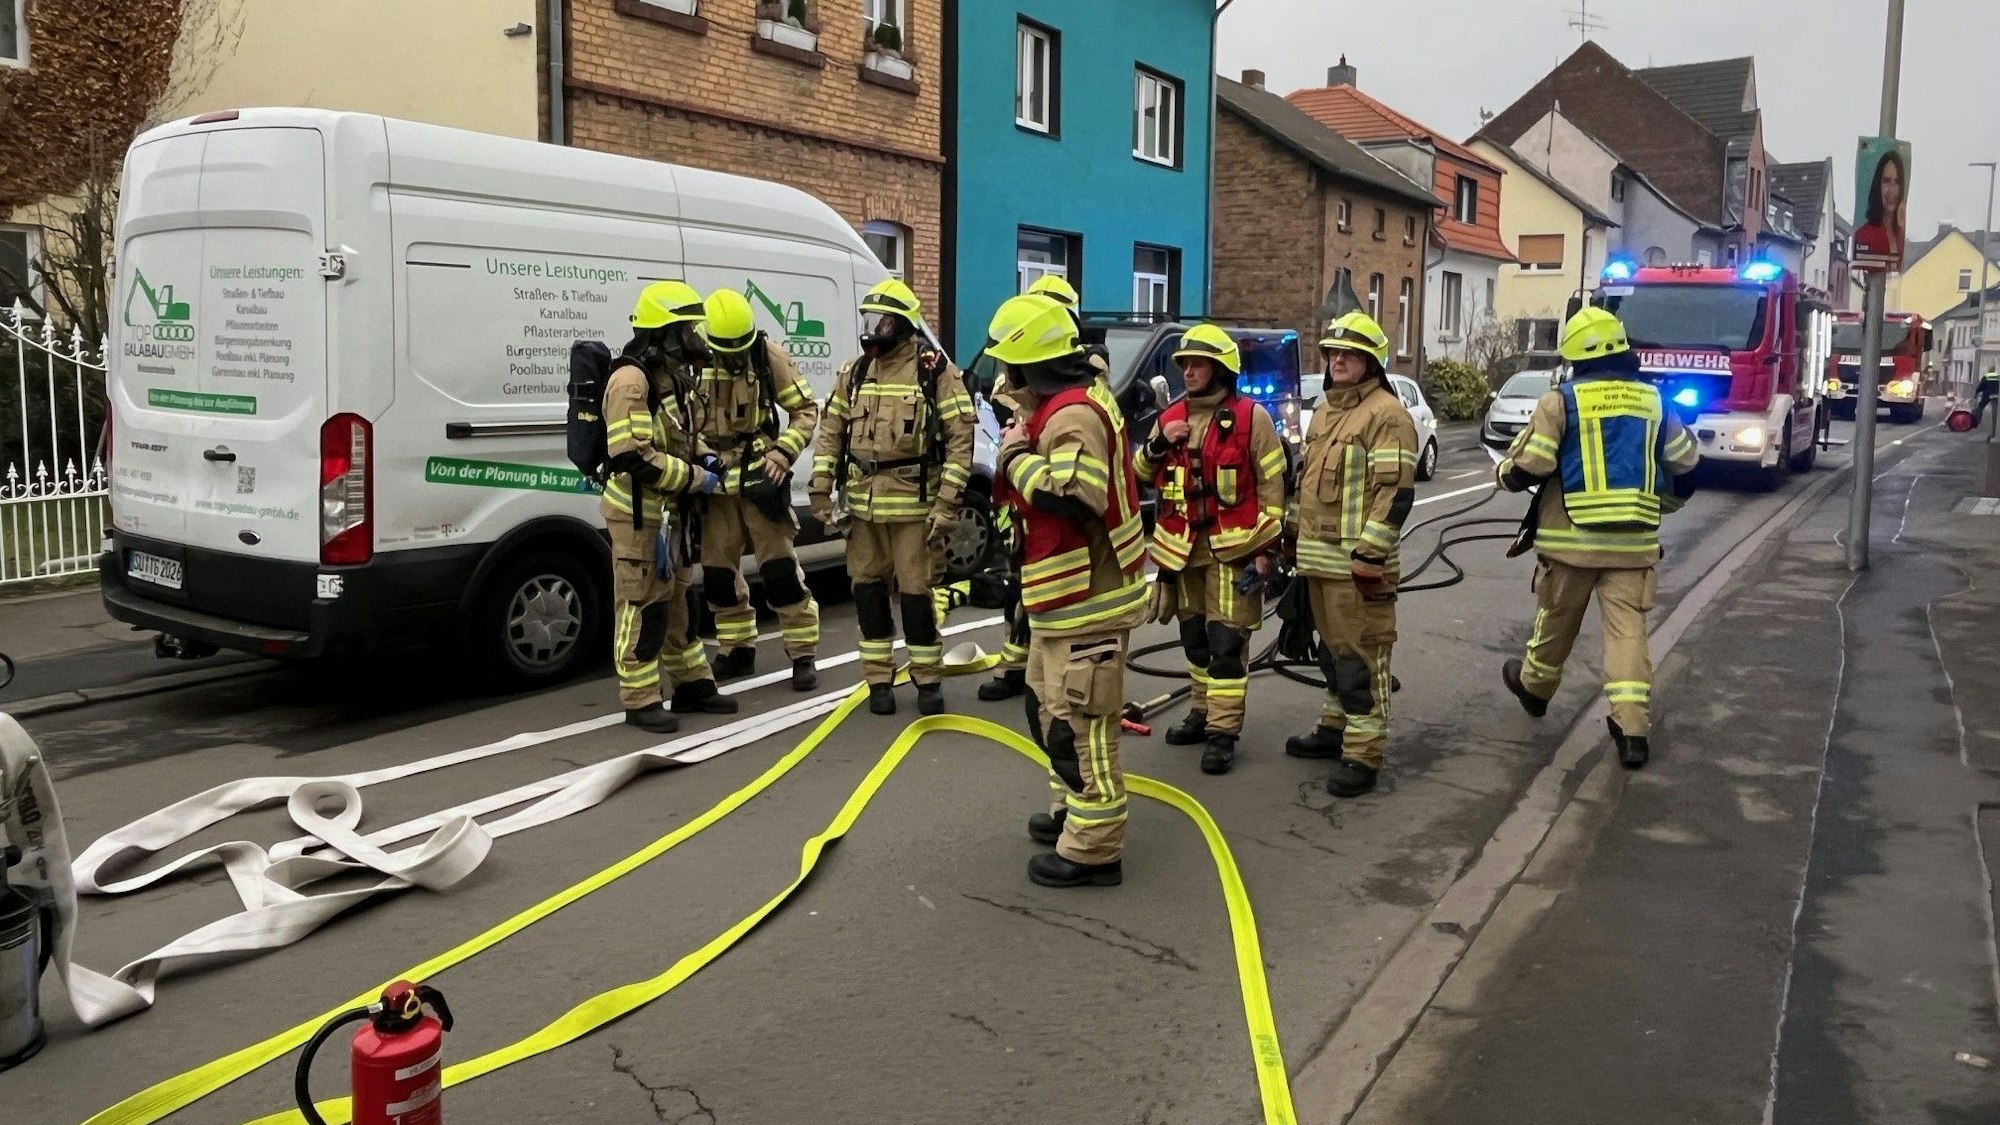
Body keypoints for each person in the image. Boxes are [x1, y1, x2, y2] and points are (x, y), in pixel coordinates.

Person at [989, 292, 1148, 887]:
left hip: (1090, 602)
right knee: (1049, 709)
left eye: (1009, 363)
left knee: (1082, 727)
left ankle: (1095, 849)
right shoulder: (1058, 407)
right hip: (1064, 601)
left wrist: (1015, 457)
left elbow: (1074, 497)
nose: (1003, 374)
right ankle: (1071, 814)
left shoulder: (1072, 416)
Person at [1496, 306, 1701, 768]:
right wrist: (1663, 506)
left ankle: (1535, 688)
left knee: (1555, 622)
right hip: (1633, 549)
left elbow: (1533, 465)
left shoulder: (1560, 401)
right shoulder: (1654, 401)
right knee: (1628, 637)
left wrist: (1504, 473)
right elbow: (1686, 467)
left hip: (1570, 545)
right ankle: (1632, 731)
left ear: (1574, 357)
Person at [810, 278, 976, 716]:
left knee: (917, 593)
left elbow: (961, 443)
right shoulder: (855, 372)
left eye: (881, 321)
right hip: (863, 507)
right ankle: (879, 681)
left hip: (913, 511)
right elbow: (830, 436)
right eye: (869, 319)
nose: (872, 329)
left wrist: (947, 505)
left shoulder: (934, 372)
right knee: (866, 591)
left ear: (902, 325)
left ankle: (927, 682)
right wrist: (820, 490)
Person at [1135, 324, 1286, 775]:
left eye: (1197, 364)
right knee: (1195, 640)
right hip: (1182, 555)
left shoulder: (1250, 417)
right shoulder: (1171, 416)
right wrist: (1161, 442)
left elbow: (1273, 486)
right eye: (1184, 364)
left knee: (1227, 643)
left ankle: (1223, 732)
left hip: (1234, 552)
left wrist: (1267, 551)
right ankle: (1202, 712)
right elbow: (1142, 470)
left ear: (1220, 369)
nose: (1188, 371)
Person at [1282, 312, 1416, 798]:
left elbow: (1395, 494)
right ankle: (1334, 728)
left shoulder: (1387, 416)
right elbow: (1306, 484)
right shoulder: (1325, 412)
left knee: (1363, 660)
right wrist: (1289, 536)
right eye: (1333, 353)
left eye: (1349, 354)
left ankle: (1364, 753)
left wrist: (1371, 555)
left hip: (1359, 571)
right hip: (1319, 563)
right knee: (1332, 655)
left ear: (1370, 362)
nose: (1338, 361)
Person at [601, 281, 741, 732]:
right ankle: (640, 698)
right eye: (687, 329)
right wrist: (698, 479)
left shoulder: (670, 377)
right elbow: (632, 456)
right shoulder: (630, 381)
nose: (694, 337)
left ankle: (691, 684)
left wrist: (703, 453)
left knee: (680, 601)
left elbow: (679, 433)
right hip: (640, 516)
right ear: (664, 332)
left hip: (670, 516)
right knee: (642, 606)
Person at [978, 273, 1103, 704]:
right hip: (1022, 500)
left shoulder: (1081, 387)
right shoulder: (1025, 369)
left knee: (1040, 593)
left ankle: (1024, 669)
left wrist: (1017, 455)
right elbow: (1010, 410)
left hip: (1060, 517)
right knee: (1019, 585)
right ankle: (1016, 664)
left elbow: (1071, 488)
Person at [694, 287, 823, 692]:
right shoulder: (693, 359)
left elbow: (805, 411)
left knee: (780, 570)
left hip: (759, 476)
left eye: (740, 349)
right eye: (725, 351)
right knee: (718, 574)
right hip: (714, 483)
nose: (733, 357)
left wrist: (783, 452)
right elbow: (678, 419)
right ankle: (736, 649)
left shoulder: (768, 356)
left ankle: (802, 654)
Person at [1853, 149, 1906, 261]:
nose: (1892, 190)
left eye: (1896, 182)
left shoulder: (1901, 234)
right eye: (1886, 181)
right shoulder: (1863, 235)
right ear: (1878, 186)